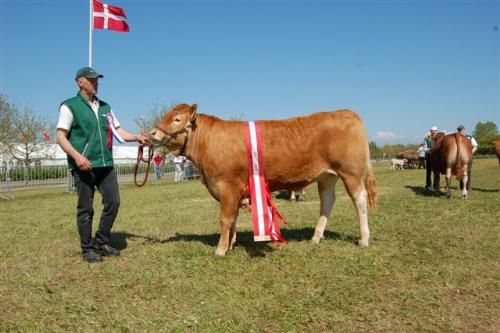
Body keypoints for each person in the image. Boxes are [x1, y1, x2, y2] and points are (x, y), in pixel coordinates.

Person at [56, 67, 149, 263]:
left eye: (97, 80)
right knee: (86, 208)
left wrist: (137, 137)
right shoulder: (69, 106)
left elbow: (118, 131)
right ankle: (87, 248)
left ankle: (102, 241)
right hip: (84, 165)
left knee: (113, 202)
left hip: (105, 164)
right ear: (80, 82)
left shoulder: (106, 107)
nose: (96, 83)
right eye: (91, 80)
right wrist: (77, 157)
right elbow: (60, 137)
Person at [456, 125, 478, 191]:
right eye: (458, 130)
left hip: (468, 157)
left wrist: (470, 153)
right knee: (460, 171)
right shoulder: (457, 138)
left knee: (468, 171)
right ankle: (461, 186)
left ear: (464, 130)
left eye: (461, 130)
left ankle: (468, 186)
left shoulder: (470, 137)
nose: (460, 131)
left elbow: (475, 146)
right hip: (460, 158)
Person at [423, 126, 438, 191]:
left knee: (436, 172)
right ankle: (428, 185)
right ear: (430, 131)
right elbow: (425, 149)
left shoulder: (438, 138)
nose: (433, 132)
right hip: (429, 157)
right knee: (428, 172)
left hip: (436, 158)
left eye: (434, 131)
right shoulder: (426, 139)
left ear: (436, 131)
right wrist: (431, 149)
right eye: (432, 131)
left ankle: (435, 186)